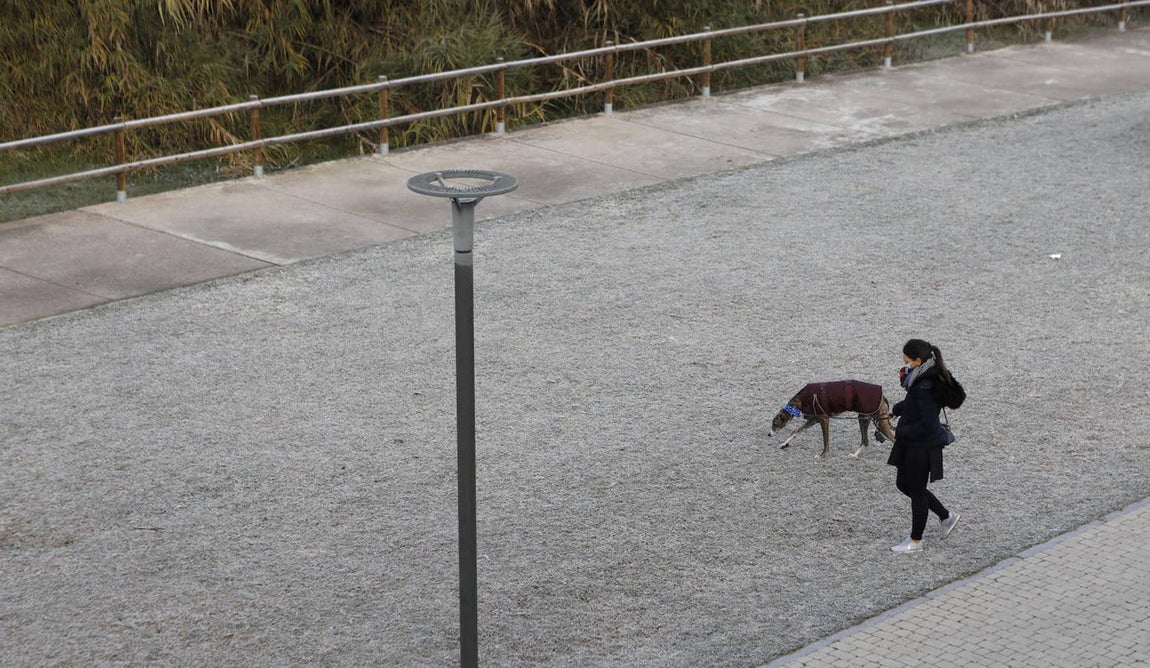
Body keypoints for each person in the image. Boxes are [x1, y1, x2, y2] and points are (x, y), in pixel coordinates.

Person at [887, 339, 960, 553]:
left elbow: (927, 423)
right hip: (913, 444)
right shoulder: (924, 378)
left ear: (918, 361)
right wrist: (896, 410)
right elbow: (914, 403)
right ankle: (946, 516)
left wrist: (902, 432)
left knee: (917, 492)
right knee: (904, 484)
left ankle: (916, 541)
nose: (905, 365)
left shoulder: (925, 386)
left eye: (907, 361)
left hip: (921, 448)